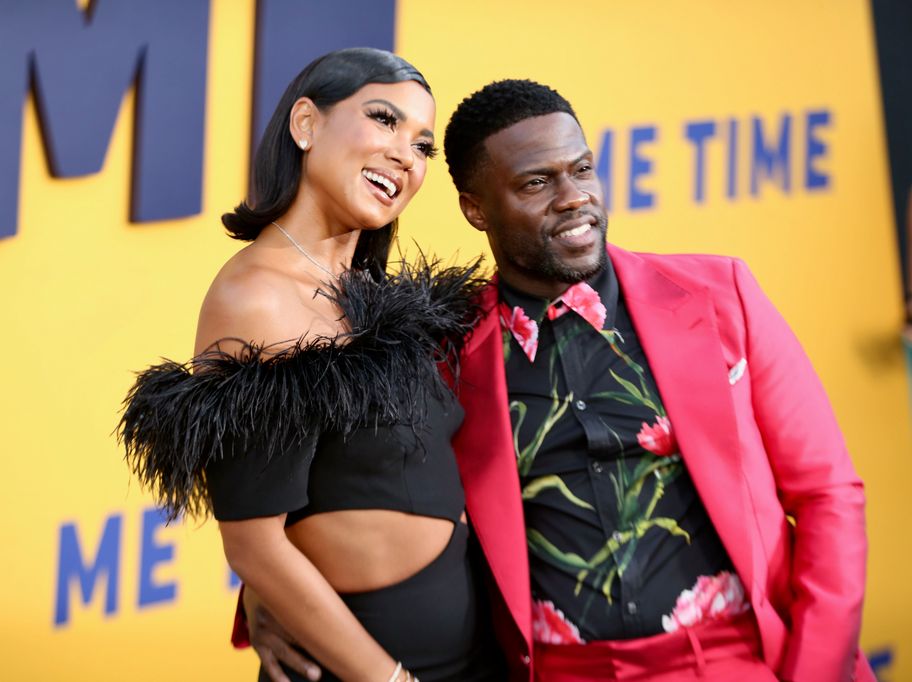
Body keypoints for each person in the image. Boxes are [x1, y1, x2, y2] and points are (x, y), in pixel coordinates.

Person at [249, 79, 874, 682]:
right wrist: (263, 591)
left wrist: (815, 670)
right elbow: (352, 483)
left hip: (740, 655)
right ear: (476, 209)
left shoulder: (719, 294)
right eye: (536, 183)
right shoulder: (443, 351)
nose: (574, 197)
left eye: (582, 169)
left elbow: (827, 494)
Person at [118, 48, 504, 682]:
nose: (407, 155)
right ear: (306, 124)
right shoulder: (256, 297)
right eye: (383, 120)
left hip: (465, 654)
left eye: (423, 146)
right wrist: (386, 679)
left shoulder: (374, 294)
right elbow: (254, 541)